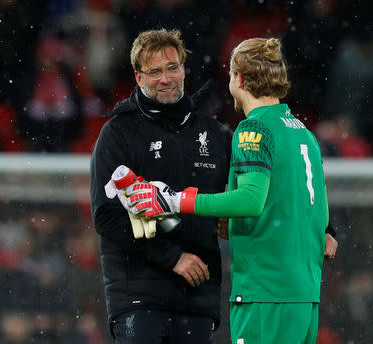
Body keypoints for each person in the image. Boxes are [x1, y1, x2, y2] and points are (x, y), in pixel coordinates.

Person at [122, 37, 336, 343]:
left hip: (265, 292)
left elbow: (250, 200)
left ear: (238, 79)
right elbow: (317, 214)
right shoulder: (304, 134)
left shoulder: (254, 129)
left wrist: (173, 199)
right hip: (304, 293)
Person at [90, 29, 232, 343]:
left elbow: (251, 191)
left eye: (172, 68)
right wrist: (172, 257)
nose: (165, 78)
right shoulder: (118, 134)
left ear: (183, 69)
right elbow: (107, 217)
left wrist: (326, 228)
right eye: (154, 71)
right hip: (138, 298)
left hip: (199, 298)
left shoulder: (216, 134)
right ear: (139, 79)